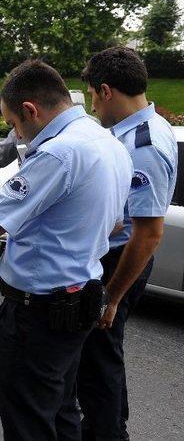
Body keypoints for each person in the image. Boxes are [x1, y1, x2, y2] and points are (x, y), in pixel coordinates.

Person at [0, 60, 132, 440]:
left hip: (40, 314)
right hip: (80, 298)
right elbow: (115, 223)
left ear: (31, 110)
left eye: (14, 124)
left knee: (28, 420)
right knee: (63, 409)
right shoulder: (108, 142)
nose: (17, 133)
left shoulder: (57, 153)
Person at [77, 47, 178, 441]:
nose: (91, 104)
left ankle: (106, 432)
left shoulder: (143, 144)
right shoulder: (144, 127)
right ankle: (112, 421)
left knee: (97, 358)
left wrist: (112, 295)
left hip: (121, 261)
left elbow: (149, 232)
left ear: (105, 91)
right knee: (105, 349)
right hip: (119, 254)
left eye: (90, 95)